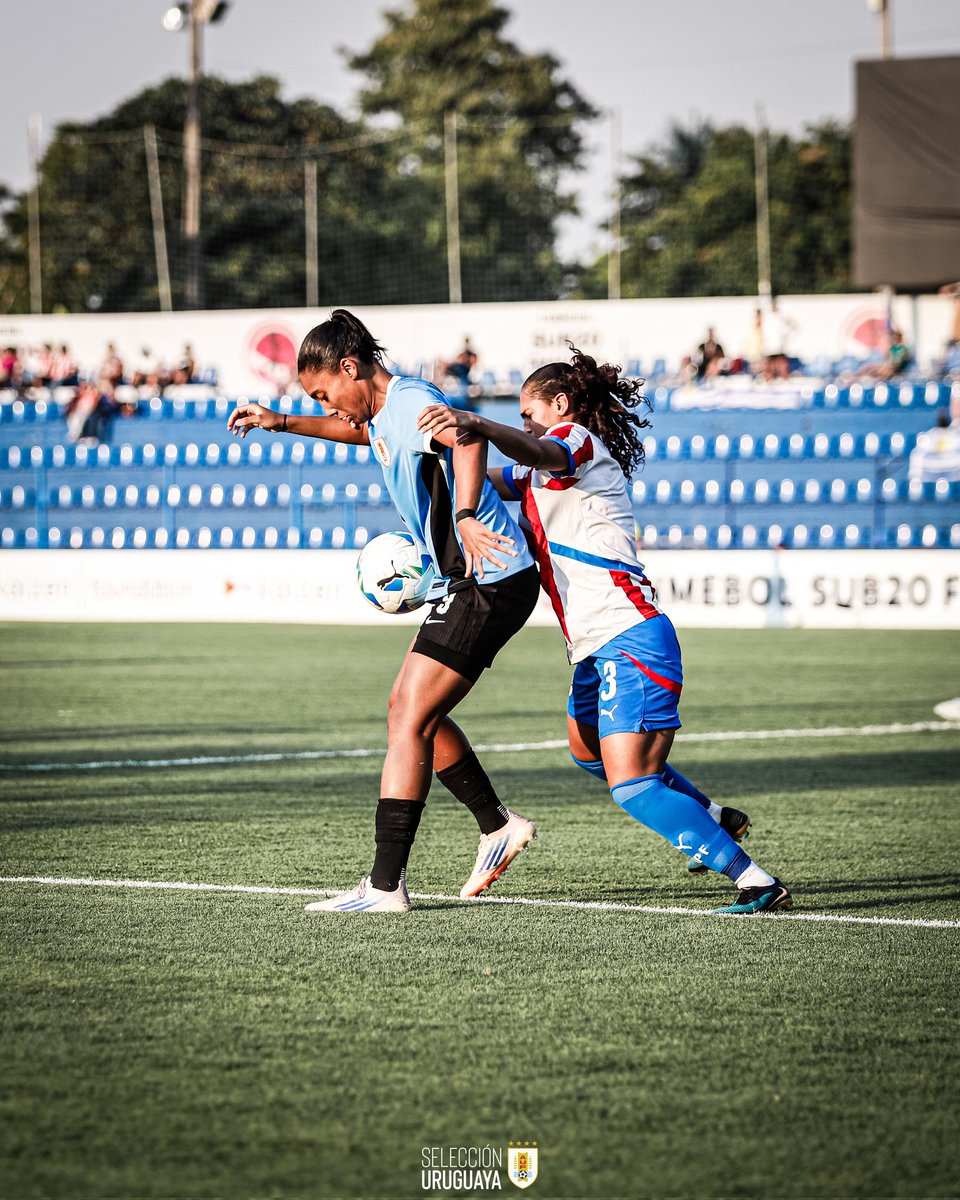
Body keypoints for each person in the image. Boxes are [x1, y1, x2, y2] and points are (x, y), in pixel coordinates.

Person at [417, 347, 793, 915]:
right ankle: (717, 818)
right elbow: (486, 475)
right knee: (588, 753)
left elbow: (539, 448)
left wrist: (478, 423)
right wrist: (414, 450)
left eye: (527, 412)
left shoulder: (577, 444)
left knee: (633, 784)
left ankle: (755, 881)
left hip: (630, 636)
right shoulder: (541, 469)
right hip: (593, 649)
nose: (522, 424)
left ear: (561, 405)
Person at [227, 310, 542, 914]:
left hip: (489, 579)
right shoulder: (381, 415)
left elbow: (468, 437)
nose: (329, 405)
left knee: (407, 719)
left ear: (351, 368)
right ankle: (495, 825)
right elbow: (362, 434)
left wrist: (469, 514)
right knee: (408, 711)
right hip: (473, 582)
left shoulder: (408, 399)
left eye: (325, 393)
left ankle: (385, 884)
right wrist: (283, 422)